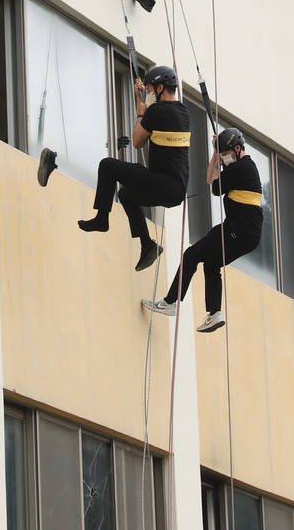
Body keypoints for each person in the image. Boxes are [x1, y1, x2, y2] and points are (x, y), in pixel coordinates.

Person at [142, 127, 263, 332]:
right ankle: (214, 313)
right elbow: (211, 178)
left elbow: (213, 186)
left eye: (226, 154)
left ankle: (171, 302)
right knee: (211, 263)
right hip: (249, 236)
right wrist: (216, 152)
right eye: (223, 155)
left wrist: (217, 153)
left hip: (237, 229)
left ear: (237, 148)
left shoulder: (241, 169)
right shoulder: (244, 168)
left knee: (191, 255)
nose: (224, 159)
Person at [76, 65, 190, 272]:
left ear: (160, 87)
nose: (148, 93)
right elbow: (154, 121)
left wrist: (140, 113)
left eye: (150, 89)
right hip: (176, 191)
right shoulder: (183, 112)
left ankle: (102, 219)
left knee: (107, 166)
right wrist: (141, 100)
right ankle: (147, 245)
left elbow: (137, 142)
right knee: (126, 195)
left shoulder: (156, 111)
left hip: (164, 183)